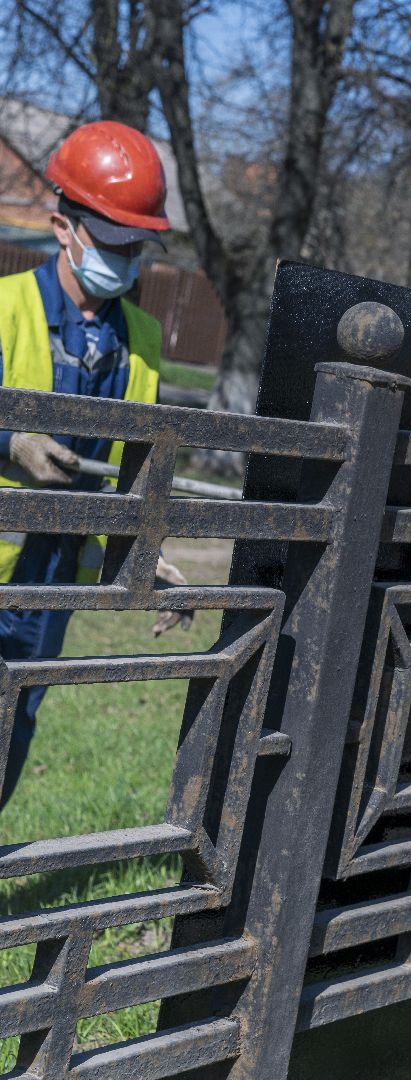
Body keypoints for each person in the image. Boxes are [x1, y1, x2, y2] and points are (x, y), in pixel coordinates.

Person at [0, 120, 190, 804]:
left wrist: (142, 552)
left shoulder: (139, 338)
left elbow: (132, 468)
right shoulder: (4, 309)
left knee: (14, 724)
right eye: (112, 242)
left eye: (137, 246)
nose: (126, 261)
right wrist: (10, 442)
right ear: (62, 227)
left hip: (52, 580)